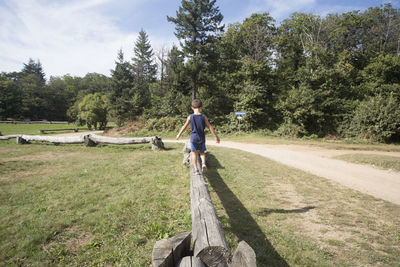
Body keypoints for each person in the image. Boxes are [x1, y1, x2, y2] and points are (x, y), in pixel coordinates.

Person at [176, 99, 220, 174]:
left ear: (192, 108)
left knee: (194, 153)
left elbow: (184, 126)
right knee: (202, 152)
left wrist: (178, 134)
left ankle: (196, 170)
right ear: (201, 107)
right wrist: (216, 136)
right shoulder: (203, 116)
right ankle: (203, 163)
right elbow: (210, 127)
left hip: (193, 138)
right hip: (201, 137)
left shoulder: (190, 117)